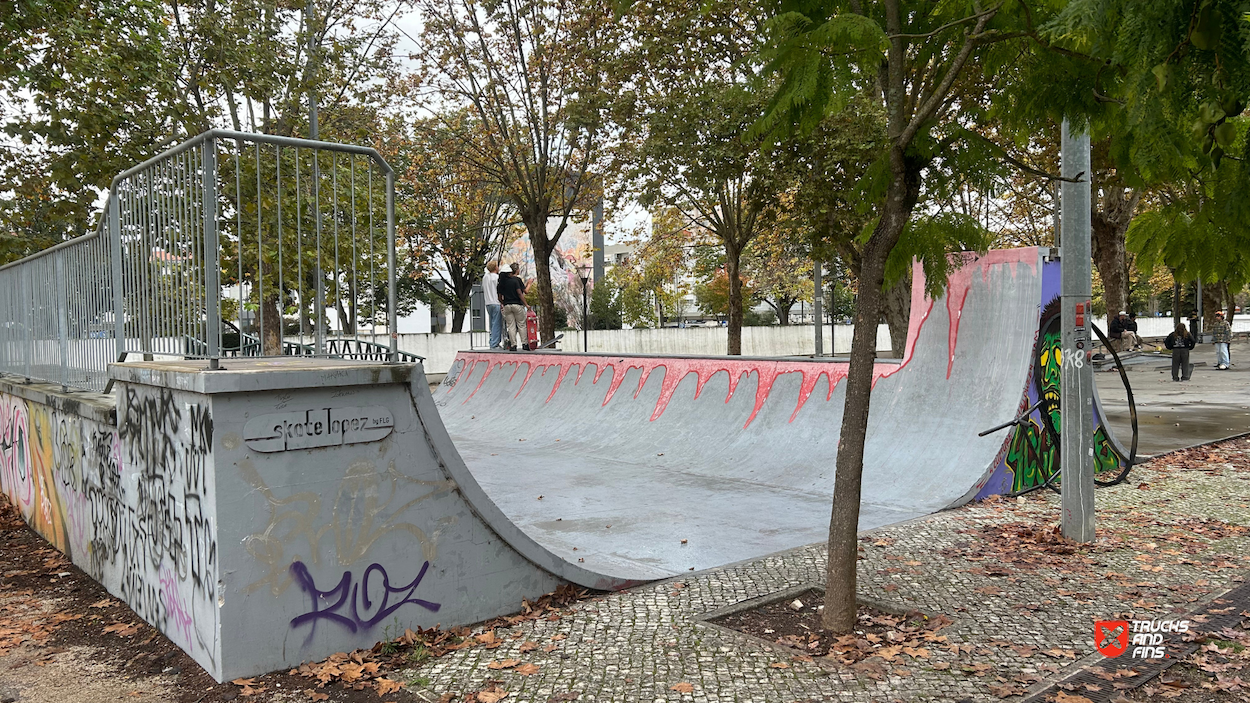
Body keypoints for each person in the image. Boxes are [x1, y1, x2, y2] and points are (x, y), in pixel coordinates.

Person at [497, 263, 527, 350]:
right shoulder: (515, 280)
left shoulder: (500, 284)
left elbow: (499, 298)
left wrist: (504, 302)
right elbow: (519, 293)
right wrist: (526, 304)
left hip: (507, 305)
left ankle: (513, 345)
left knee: (511, 326)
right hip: (517, 304)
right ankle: (524, 343)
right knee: (521, 324)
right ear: (509, 272)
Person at [482, 262, 503, 349]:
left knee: (492, 323)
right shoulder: (497, 278)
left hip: (488, 302)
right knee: (497, 323)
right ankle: (495, 343)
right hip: (496, 302)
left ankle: (492, 341)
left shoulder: (485, 277)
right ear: (495, 268)